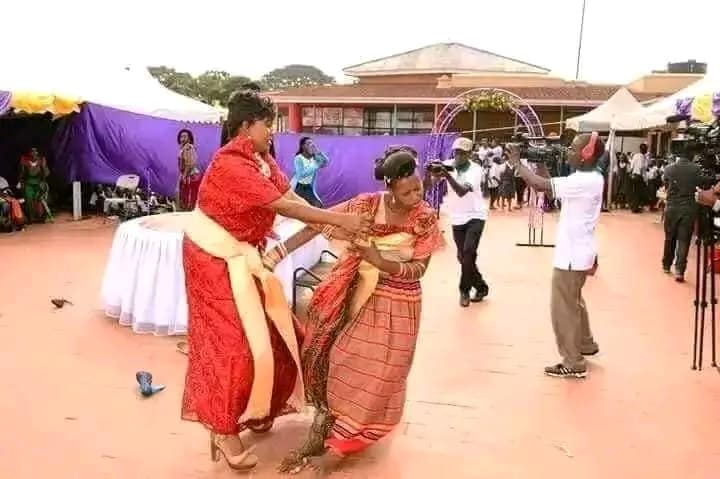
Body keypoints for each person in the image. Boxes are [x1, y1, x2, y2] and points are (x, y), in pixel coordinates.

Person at [180, 90, 371, 472]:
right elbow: (283, 207)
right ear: (245, 126)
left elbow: (291, 198)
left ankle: (256, 407)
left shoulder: (262, 160)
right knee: (232, 347)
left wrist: (334, 226)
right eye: (267, 124)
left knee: (275, 337)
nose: (272, 131)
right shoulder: (229, 164)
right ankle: (223, 430)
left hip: (241, 258)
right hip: (212, 259)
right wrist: (340, 221)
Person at [278, 146, 443, 474]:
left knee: (382, 372)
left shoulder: (425, 217)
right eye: (407, 191)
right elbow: (318, 222)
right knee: (341, 360)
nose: (416, 196)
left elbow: (419, 269)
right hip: (356, 294)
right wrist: (278, 252)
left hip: (400, 303)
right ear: (390, 187)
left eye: (419, 189)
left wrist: (380, 261)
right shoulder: (367, 204)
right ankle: (329, 428)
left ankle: (343, 444)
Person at [509, 132, 604, 378]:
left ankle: (573, 362)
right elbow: (551, 191)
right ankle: (585, 343)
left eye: (573, 149)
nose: (568, 152)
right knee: (574, 300)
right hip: (579, 251)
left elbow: (541, 186)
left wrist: (517, 163)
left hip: (572, 254)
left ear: (585, 155)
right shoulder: (588, 177)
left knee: (563, 308)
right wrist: (540, 163)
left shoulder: (583, 180)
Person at [435, 136, 490, 307]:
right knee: (463, 257)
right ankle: (481, 286)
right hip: (457, 217)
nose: (458, 156)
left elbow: (461, 191)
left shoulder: (476, 170)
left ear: (469, 154)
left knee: (468, 252)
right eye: (456, 152)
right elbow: (431, 183)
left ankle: (464, 291)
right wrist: (432, 173)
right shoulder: (447, 164)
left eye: (462, 153)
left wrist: (447, 175)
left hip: (475, 215)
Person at [661, 153, 701, 282]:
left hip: (672, 207)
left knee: (669, 238)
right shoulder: (696, 169)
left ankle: (666, 265)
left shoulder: (669, 168)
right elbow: (700, 185)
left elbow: (665, 185)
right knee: (684, 240)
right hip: (688, 208)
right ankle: (679, 271)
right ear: (691, 156)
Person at [290, 137, 329, 208]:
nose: (311, 145)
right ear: (303, 146)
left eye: (312, 143)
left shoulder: (314, 157)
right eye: (308, 143)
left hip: (308, 187)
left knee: (318, 205)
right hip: (299, 187)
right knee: (299, 206)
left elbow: (325, 162)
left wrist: (317, 151)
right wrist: (315, 165)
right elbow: (301, 174)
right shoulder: (298, 158)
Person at [18, 148, 50, 223]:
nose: (34, 153)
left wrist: (44, 166)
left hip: (39, 184)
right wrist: (21, 183)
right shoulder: (25, 162)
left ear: (38, 153)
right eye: (32, 151)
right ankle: (31, 218)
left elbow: (46, 174)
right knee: (29, 199)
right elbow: (21, 175)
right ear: (29, 153)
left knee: (39, 199)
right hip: (28, 184)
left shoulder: (41, 161)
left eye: (35, 151)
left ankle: (40, 217)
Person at [177, 129, 201, 211]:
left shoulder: (188, 147)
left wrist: (184, 176)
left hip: (190, 176)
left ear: (189, 138)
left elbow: (190, 163)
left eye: (185, 136)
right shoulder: (183, 148)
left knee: (188, 199)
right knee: (185, 198)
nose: (182, 138)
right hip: (188, 175)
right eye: (181, 137)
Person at [629, 144, 648, 213]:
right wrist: (644, 178)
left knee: (634, 192)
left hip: (633, 175)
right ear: (644, 149)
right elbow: (641, 167)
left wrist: (631, 174)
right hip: (639, 176)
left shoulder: (635, 155)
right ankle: (635, 208)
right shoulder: (642, 157)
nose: (646, 150)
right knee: (638, 193)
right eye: (645, 149)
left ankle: (633, 206)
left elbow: (631, 166)